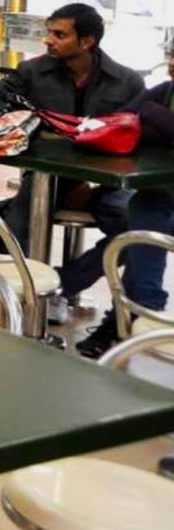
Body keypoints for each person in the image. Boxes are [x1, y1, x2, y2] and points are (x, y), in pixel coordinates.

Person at [0, 3, 144, 258]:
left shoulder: (127, 82)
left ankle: (68, 282)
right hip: (46, 177)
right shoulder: (32, 72)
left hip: (107, 183)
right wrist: (33, 120)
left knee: (136, 232)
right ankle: (25, 289)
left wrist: (86, 183)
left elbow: (139, 142)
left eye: (59, 35)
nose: (48, 40)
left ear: (86, 42)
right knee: (22, 223)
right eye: (48, 32)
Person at [66, 39, 174, 358]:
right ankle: (134, 309)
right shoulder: (166, 91)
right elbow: (123, 118)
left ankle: (77, 292)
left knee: (142, 223)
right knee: (140, 221)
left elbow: (145, 115)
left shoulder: (159, 97)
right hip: (159, 193)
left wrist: (152, 116)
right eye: (172, 55)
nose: (172, 64)